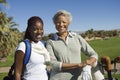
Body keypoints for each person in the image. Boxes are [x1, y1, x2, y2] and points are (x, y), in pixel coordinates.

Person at [46, 10, 104, 80]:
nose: (61, 24)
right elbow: (53, 64)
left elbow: (93, 54)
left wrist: (89, 63)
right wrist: (78, 65)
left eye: (64, 22)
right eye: (58, 22)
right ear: (55, 24)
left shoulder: (77, 37)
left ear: (69, 23)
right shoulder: (50, 42)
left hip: (77, 78)